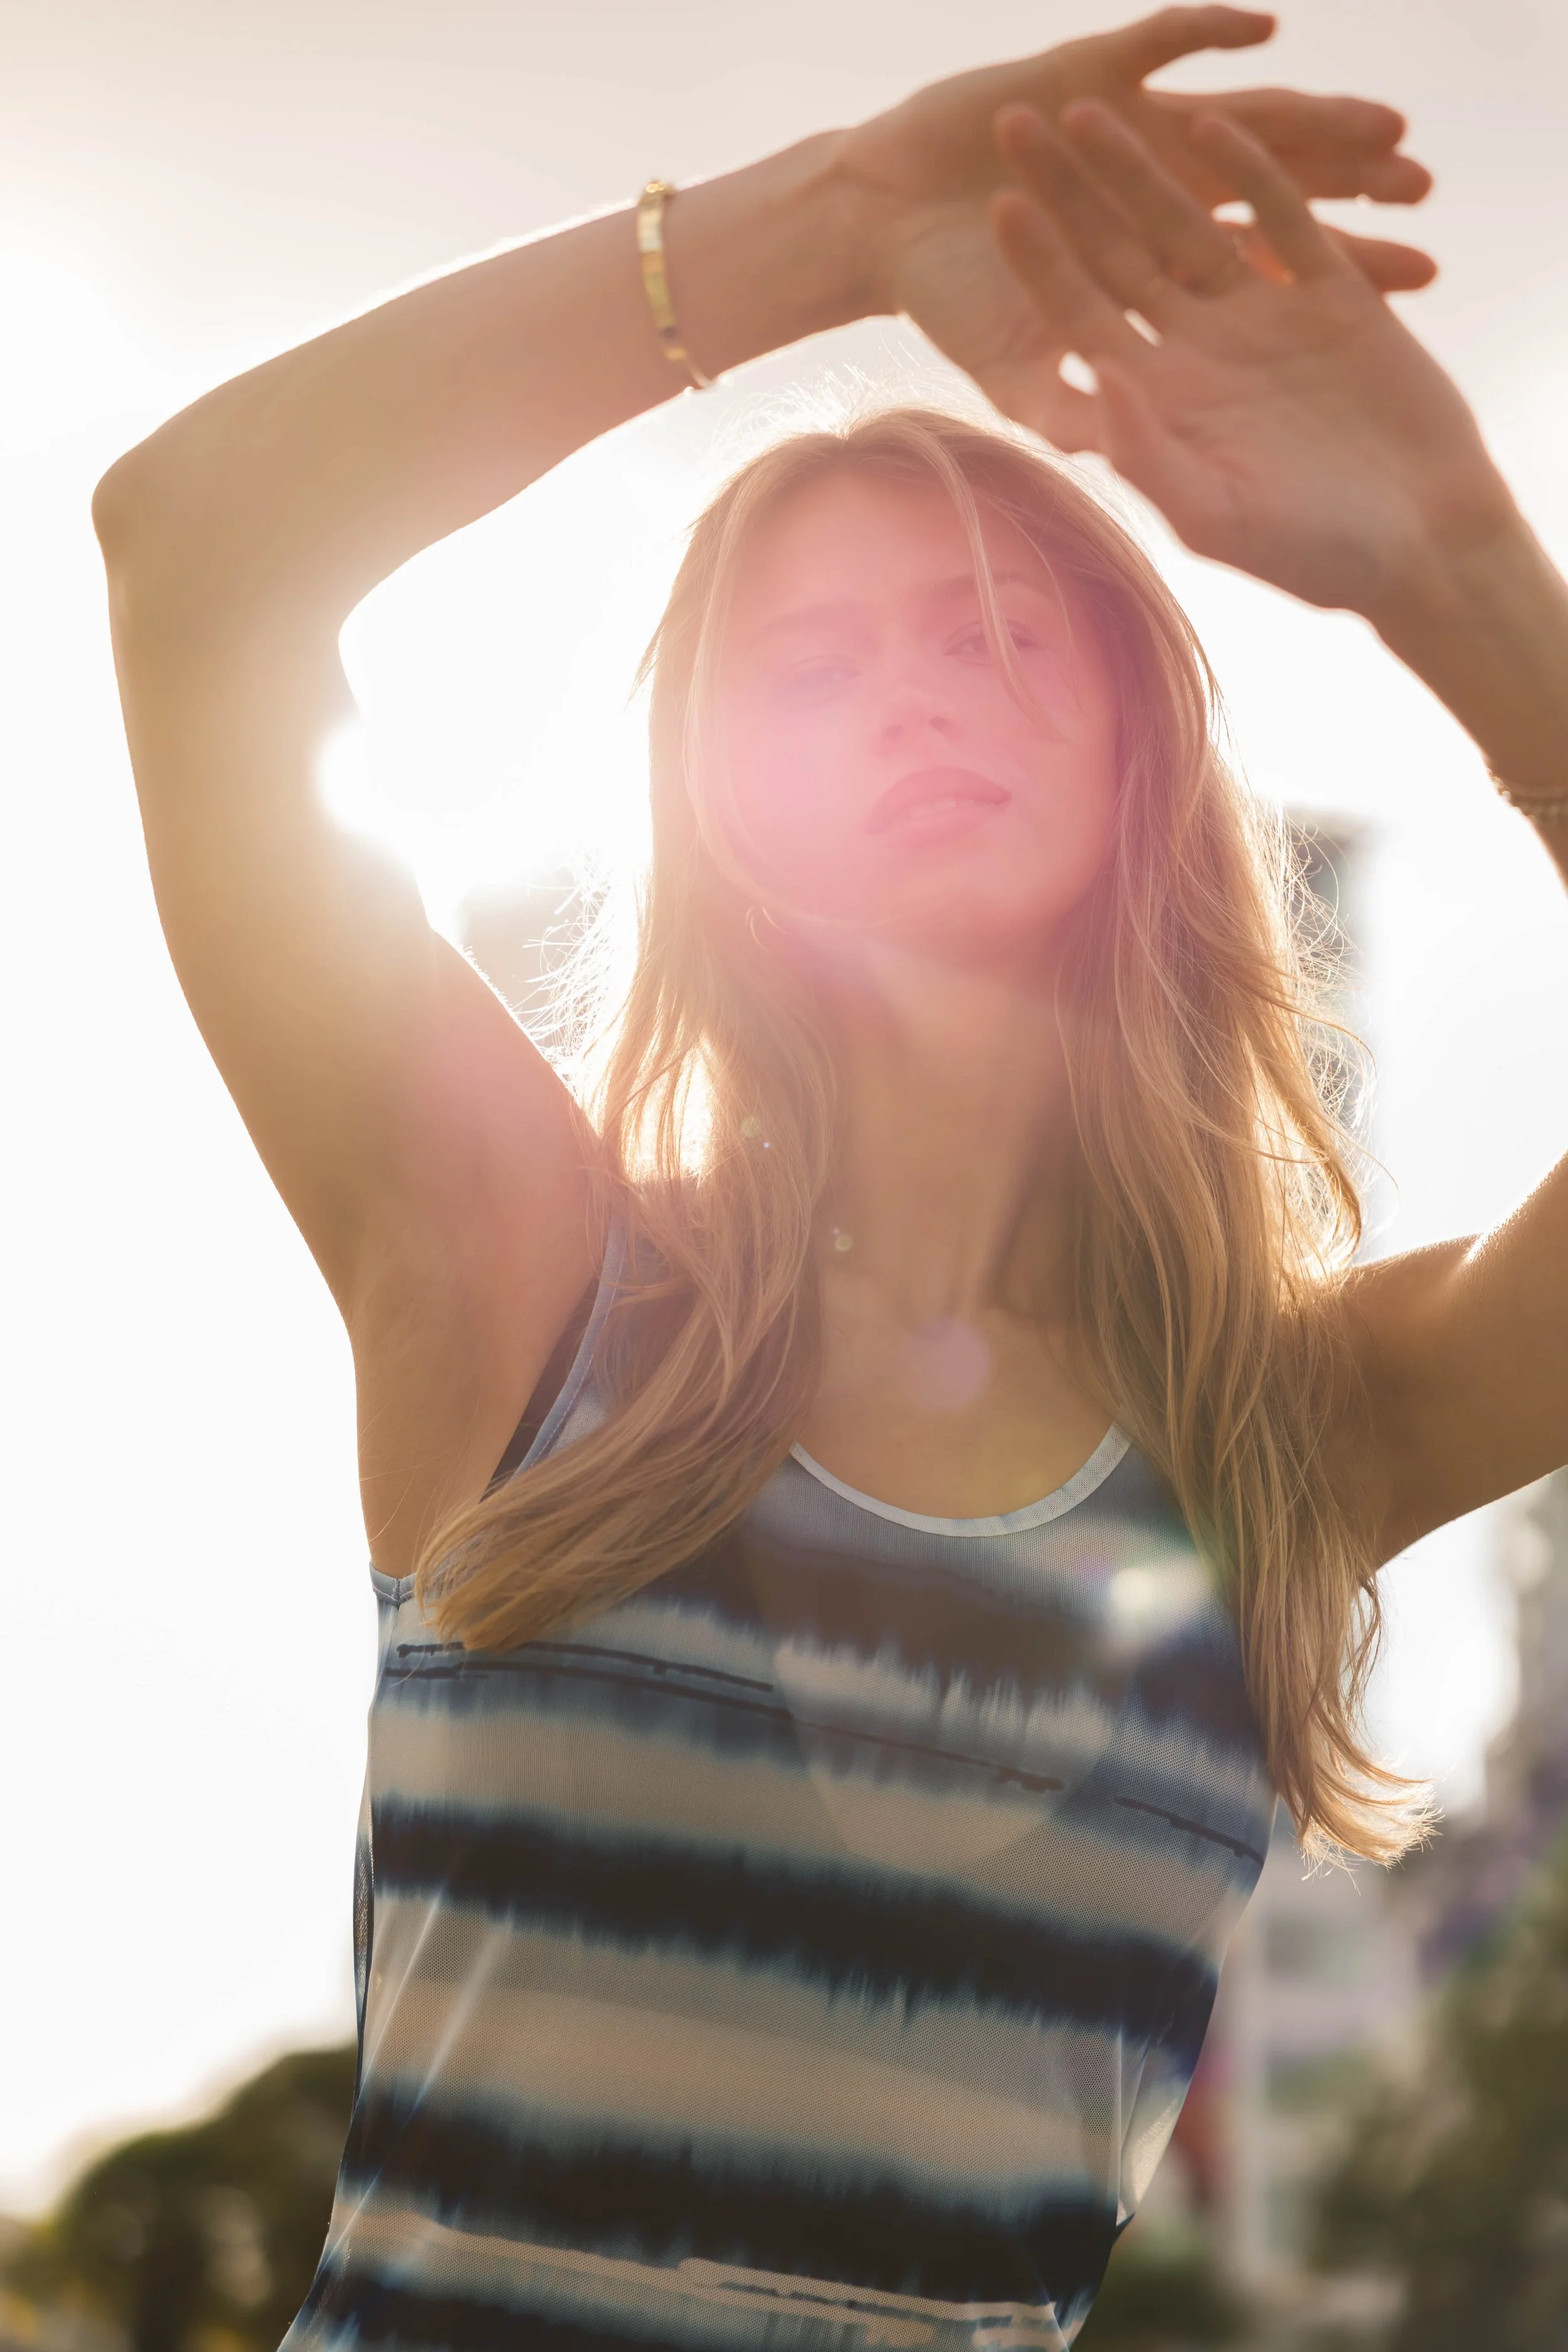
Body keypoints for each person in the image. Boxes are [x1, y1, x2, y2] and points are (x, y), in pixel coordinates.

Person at [92, 8, 1568, 2346]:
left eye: (992, 634)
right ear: (710, 815)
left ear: (1138, 757)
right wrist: (831, 226)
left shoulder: (1295, 1429)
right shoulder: (524, 1272)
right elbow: (198, 553)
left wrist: (1461, 570)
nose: (908, 695)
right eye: (809, 666)